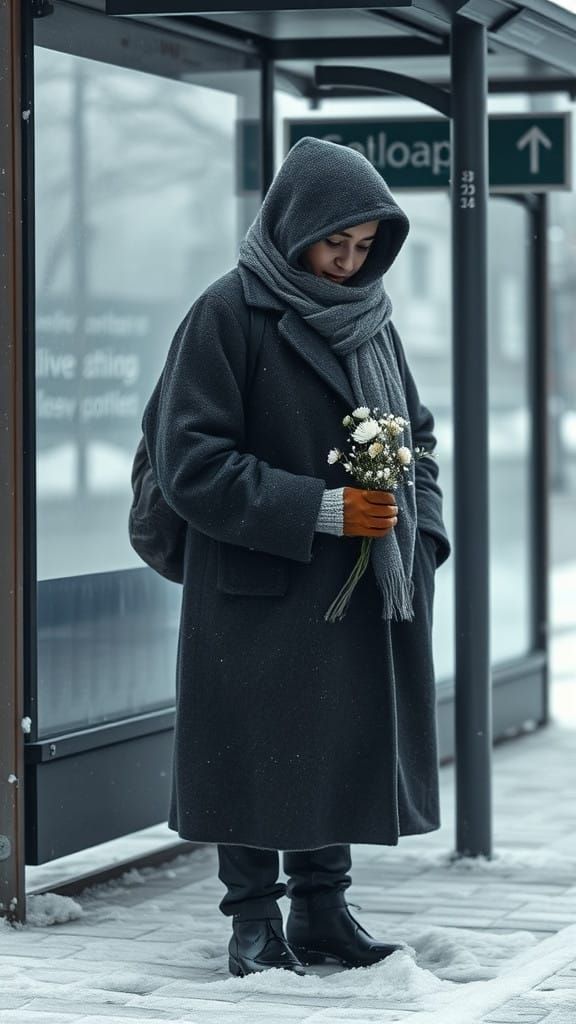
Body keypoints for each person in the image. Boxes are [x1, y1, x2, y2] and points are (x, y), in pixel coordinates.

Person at [142, 136, 451, 978]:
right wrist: (321, 509)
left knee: (337, 746)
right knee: (250, 752)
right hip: (258, 580)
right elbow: (190, 462)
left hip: (357, 585)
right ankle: (252, 922)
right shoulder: (227, 312)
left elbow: (415, 441)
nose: (348, 265)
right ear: (291, 227)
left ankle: (323, 909)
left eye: (364, 248)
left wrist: (419, 537)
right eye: (334, 243)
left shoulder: (371, 321)